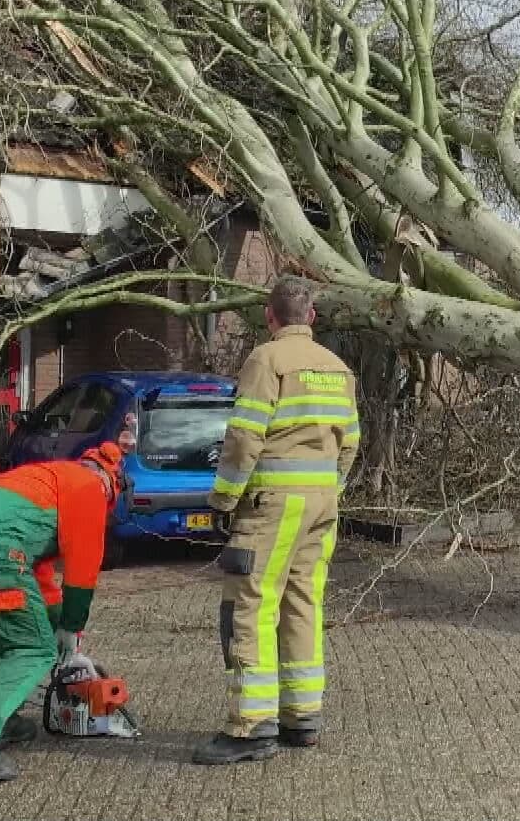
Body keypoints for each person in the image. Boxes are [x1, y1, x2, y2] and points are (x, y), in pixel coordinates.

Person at [193, 276, 359, 765]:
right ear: (311, 318)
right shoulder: (338, 369)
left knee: (250, 605)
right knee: (303, 602)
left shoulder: (266, 360)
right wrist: (329, 488)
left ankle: (250, 727)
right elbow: (350, 441)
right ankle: (302, 716)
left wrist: (223, 500)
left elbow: (244, 437)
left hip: (270, 505)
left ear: (269, 317)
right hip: (321, 504)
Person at [0, 416, 132, 783]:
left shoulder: (46, 480)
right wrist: (71, 627)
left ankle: (3, 718)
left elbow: (41, 580)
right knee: (32, 648)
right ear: (113, 487)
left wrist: (58, 626)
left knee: (15, 624)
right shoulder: (90, 488)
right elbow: (83, 567)